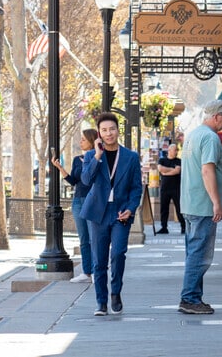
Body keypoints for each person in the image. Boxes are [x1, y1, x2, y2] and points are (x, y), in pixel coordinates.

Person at [80, 113, 142, 316]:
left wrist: (131, 209)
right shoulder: (91, 156)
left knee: (118, 254)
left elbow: (136, 188)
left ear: (118, 130)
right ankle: (101, 302)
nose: (109, 133)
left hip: (120, 212)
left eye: (112, 129)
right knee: (99, 260)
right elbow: (86, 180)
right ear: (99, 133)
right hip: (98, 213)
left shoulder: (131, 157)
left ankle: (116, 292)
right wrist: (97, 156)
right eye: (104, 130)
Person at [178, 100, 222, 315]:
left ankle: (193, 297)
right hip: (202, 206)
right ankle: (189, 298)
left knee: (193, 252)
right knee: (200, 255)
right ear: (217, 116)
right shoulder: (210, 138)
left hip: (190, 203)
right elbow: (207, 170)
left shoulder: (193, 135)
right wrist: (216, 202)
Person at [51, 128, 98, 284]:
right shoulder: (77, 159)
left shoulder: (97, 157)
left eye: (83, 139)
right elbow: (73, 181)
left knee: (94, 238)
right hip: (78, 200)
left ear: (92, 141)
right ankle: (86, 272)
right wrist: (60, 168)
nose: (80, 142)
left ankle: (98, 271)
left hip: (92, 200)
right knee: (84, 238)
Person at [157, 144, 184, 234]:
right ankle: (164, 227)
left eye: (177, 150)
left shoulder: (178, 161)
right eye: (175, 150)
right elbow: (160, 168)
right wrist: (171, 169)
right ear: (169, 150)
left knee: (179, 208)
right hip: (165, 188)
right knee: (164, 208)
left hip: (176, 188)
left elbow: (177, 171)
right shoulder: (162, 160)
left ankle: (183, 227)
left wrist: (166, 173)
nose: (176, 152)